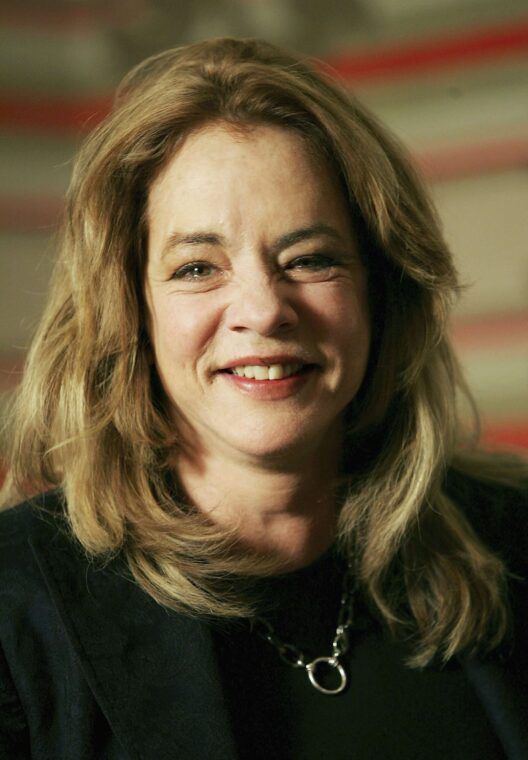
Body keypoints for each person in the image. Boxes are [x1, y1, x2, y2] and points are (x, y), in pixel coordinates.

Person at [0, 37, 527, 760]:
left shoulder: (515, 544)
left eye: (310, 259)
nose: (264, 309)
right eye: (197, 267)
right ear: (129, 310)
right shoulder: (13, 606)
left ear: (382, 293)